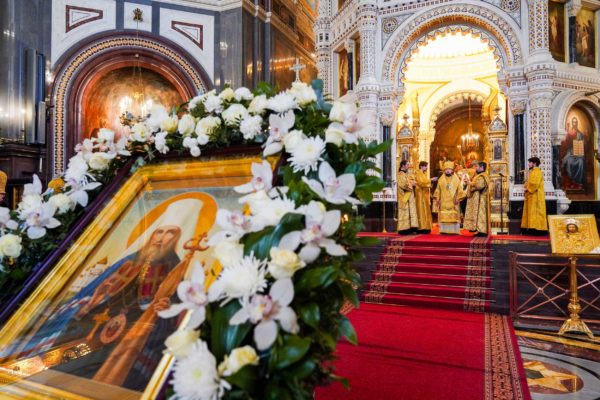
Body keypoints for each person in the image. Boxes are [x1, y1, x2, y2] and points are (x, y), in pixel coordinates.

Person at [22, 198, 205, 390]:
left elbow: (175, 315)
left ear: (178, 239)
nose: (161, 238)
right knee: (60, 359)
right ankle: (33, 380)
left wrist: (165, 308)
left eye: (170, 233)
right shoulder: (130, 260)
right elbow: (94, 292)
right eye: (159, 231)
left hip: (131, 334)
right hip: (96, 323)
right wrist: (92, 301)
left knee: (95, 375)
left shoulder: (175, 272)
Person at [433, 161, 466, 234]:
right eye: (446, 169)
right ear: (444, 170)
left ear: (452, 170)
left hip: (453, 200)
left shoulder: (456, 179)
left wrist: (458, 198)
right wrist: (437, 198)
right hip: (443, 200)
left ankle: (454, 231)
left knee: (454, 215)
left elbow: (460, 190)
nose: (448, 170)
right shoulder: (441, 179)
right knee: (443, 215)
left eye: (449, 169)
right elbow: (438, 189)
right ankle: (443, 230)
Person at [521, 157, 548, 234]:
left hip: (536, 196)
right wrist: (526, 184)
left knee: (536, 213)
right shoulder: (533, 171)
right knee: (532, 212)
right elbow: (530, 182)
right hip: (532, 196)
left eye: (530, 163)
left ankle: (537, 230)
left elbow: (534, 184)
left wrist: (527, 188)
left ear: (534, 163)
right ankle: (532, 228)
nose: (528, 164)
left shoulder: (537, 172)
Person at [463, 162, 490, 236]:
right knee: (478, 215)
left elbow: (479, 186)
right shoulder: (478, 175)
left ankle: (482, 231)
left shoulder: (483, 176)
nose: (475, 168)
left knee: (481, 215)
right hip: (478, 198)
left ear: (481, 167)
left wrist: (469, 183)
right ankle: (479, 230)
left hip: (481, 199)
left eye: (477, 166)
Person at [561, 116, 586, 188]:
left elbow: (583, 145)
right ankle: (571, 181)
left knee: (581, 162)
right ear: (572, 123)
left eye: (575, 122)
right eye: (573, 122)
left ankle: (578, 183)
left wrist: (582, 142)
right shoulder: (569, 133)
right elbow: (565, 143)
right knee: (568, 162)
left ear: (577, 123)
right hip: (570, 153)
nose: (574, 124)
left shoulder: (580, 134)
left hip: (578, 154)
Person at [414, 161, 437, 233]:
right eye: (425, 166)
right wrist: (431, 180)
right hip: (420, 195)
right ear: (421, 166)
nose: (426, 168)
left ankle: (426, 227)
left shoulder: (423, 174)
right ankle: (421, 227)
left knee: (425, 210)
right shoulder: (418, 173)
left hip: (424, 195)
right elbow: (421, 183)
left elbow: (426, 183)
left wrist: (431, 182)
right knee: (421, 210)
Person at [396, 160, 418, 234]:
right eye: (407, 164)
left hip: (408, 196)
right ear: (403, 165)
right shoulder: (400, 174)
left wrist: (412, 183)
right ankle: (404, 229)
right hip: (404, 197)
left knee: (409, 212)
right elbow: (403, 185)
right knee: (404, 212)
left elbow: (408, 182)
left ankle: (410, 228)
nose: (409, 166)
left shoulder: (406, 174)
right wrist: (412, 184)